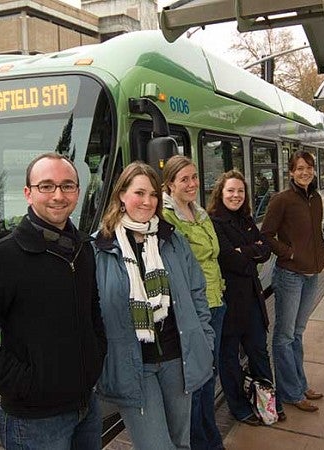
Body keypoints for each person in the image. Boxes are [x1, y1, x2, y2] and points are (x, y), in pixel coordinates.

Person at [0, 153, 107, 449]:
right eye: (46, 186)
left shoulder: (83, 249)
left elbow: (92, 311)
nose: (58, 195)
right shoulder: (0, 259)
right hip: (35, 422)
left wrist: (96, 356)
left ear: (78, 192)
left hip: (87, 406)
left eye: (67, 186)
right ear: (28, 193)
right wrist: (26, 385)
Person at [93, 162, 214, 450]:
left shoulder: (172, 240)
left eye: (153, 195)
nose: (147, 201)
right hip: (134, 367)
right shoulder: (100, 248)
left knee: (180, 443)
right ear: (121, 195)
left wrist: (205, 339)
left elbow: (197, 291)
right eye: (139, 193)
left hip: (177, 359)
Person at [207, 170, 286, 426]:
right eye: (230, 190)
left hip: (252, 299)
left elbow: (265, 250)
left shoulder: (247, 219)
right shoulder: (213, 222)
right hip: (228, 303)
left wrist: (246, 252)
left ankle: (268, 401)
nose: (236, 195)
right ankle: (239, 406)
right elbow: (228, 258)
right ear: (221, 193)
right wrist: (248, 253)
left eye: (240, 191)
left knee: (258, 352)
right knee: (228, 358)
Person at [161, 155, 225, 449]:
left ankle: (208, 435)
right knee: (197, 380)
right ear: (170, 183)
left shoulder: (199, 212)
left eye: (194, 177)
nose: (192, 184)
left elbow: (212, 256)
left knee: (210, 373)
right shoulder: (167, 216)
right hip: (192, 307)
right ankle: (203, 442)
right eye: (184, 179)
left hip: (215, 301)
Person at [261, 150, 324, 413]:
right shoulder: (282, 200)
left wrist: (319, 253)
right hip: (290, 275)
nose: (304, 172)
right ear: (290, 172)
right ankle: (290, 392)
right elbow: (266, 234)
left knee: (297, 333)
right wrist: (289, 253)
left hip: (312, 274)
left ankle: (300, 384)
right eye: (299, 168)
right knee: (284, 336)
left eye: (308, 168)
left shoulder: (316, 198)